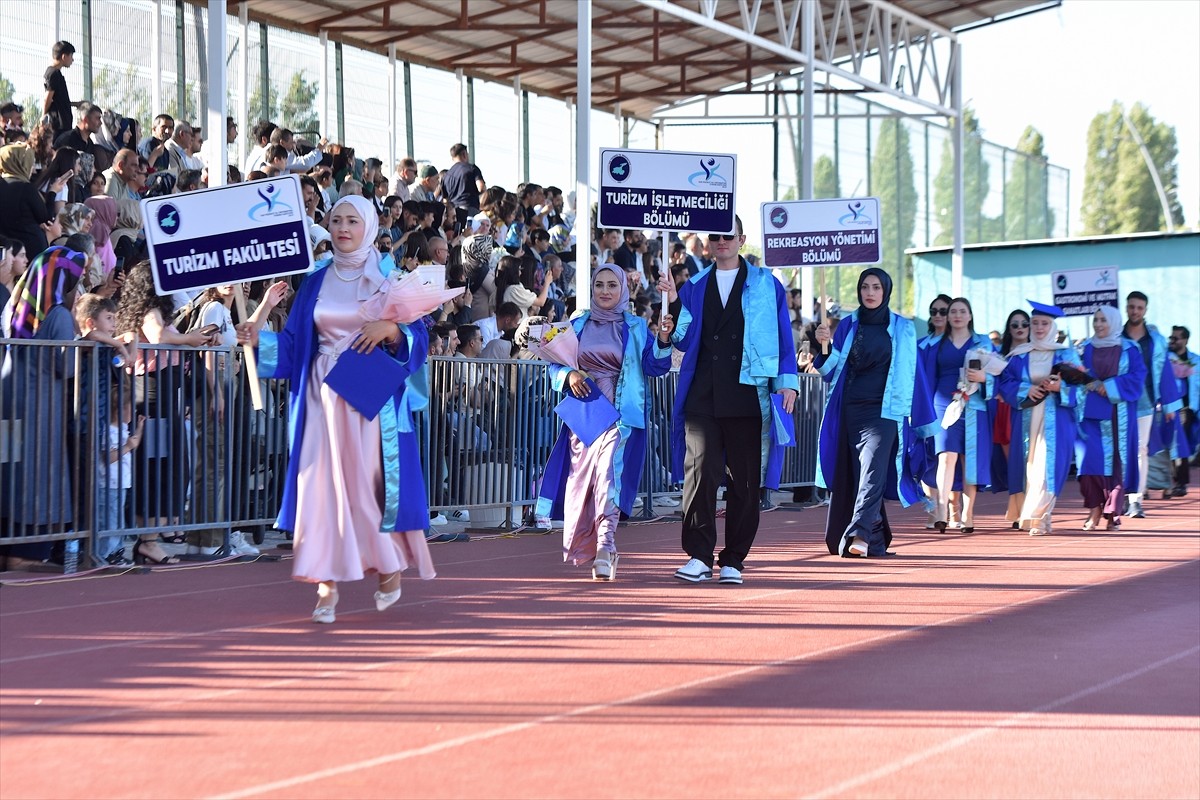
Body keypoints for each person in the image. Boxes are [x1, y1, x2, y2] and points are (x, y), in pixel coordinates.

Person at [235, 195, 435, 624]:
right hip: (319, 399)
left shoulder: (391, 279)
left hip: (369, 403)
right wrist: (257, 340)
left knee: (365, 489)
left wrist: (394, 331)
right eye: (336, 219)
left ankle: (388, 565)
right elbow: (293, 344)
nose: (343, 227)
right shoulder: (314, 281)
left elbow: (419, 342)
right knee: (320, 490)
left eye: (352, 220)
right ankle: (326, 585)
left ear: (370, 226)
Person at [656, 216, 799, 585]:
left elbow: (785, 336)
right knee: (699, 476)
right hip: (703, 393)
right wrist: (670, 304)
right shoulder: (693, 285)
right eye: (715, 235)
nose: (721, 241)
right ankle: (699, 556)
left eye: (728, 235)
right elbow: (683, 340)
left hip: (750, 395)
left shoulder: (769, 284)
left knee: (745, 482)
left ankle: (734, 558)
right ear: (707, 242)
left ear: (742, 239)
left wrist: (789, 384)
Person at [535, 264, 674, 579]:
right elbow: (553, 364)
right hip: (583, 417)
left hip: (620, 418)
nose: (606, 291)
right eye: (599, 284)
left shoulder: (638, 328)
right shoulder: (576, 323)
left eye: (613, 284)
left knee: (608, 481)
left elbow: (655, 367)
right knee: (582, 486)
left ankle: (605, 547)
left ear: (623, 289)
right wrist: (567, 374)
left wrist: (663, 339)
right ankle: (601, 548)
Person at [813, 268, 935, 557]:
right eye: (865, 287)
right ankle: (877, 540)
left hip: (885, 413)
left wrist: (923, 420)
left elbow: (914, 373)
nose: (870, 292)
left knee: (871, 470)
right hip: (850, 411)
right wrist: (823, 345)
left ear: (886, 291)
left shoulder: (903, 328)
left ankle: (860, 536)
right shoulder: (846, 325)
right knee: (861, 477)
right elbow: (830, 372)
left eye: (876, 287)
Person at [0, 246, 87, 569]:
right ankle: (26, 555)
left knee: (10, 474)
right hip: (41, 407)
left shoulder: (13, 306)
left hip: (10, 401)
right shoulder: (58, 313)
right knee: (38, 478)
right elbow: (65, 368)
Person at [995, 302, 1080, 537]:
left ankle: (1039, 517)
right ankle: (1036, 515)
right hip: (1027, 418)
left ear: (1053, 326)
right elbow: (1005, 383)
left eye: (1045, 323)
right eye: (1035, 323)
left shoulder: (1066, 354)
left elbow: (1083, 389)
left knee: (1046, 466)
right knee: (1029, 467)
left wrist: (1061, 387)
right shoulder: (1020, 355)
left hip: (1056, 419)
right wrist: (1025, 390)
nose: (1039, 328)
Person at [920, 297, 993, 533]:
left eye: (963, 311)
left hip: (974, 405)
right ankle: (941, 511)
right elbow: (927, 377)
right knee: (945, 456)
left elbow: (998, 374)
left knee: (968, 459)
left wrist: (984, 379)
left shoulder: (982, 343)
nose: (957, 315)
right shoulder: (936, 344)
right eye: (953, 312)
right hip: (943, 404)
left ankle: (967, 515)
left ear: (970, 316)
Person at [1077, 306, 1148, 532]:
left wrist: (1106, 387)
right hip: (1090, 414)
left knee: (1116, 463)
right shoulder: (1084, 348)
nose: (1098, 324)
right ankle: (1094, 509)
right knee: (1089, 462)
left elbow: (1137, 378)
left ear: (1114, 322)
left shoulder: (1129, 349)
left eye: (1103, 320)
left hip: (1118, 414)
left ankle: (1112, 514)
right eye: (1095, 320)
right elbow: (1075, 378)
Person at [1121, 291, 1183, 517]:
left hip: (1145, 401)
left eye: (1139, 307)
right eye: (1131, 307)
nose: (1135, 311)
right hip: (1119, 401)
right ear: (1126, 308)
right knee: (1120, 451)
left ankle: (1136, 499)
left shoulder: (1155, 340)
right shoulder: (1117, 337)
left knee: (1141, 450)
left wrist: (1169, 407)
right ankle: (1121, 497)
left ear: (1145, 310)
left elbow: (1165, 372)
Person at [993, 308, 1031, 527]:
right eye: (1015, 325)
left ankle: (1023, 509)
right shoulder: (999, 354)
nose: (1020, 328)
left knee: (1027, 461)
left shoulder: (1037, 353)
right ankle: (1016, 508)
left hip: (1025, 409)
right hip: (1003, 410)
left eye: (1024, 324)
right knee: (1013, 463)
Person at [0, 142, 55, 259]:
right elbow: (47, 219)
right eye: (30, 163)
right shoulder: (26, 189)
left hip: (5, 253)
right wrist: (53, 192)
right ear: (22, 164)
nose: (33, 169)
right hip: (30, 251)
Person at [1164, 327, 1198, 497]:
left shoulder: (1195, 361)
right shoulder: (1165, 357)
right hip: (1165, 407)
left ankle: (1181, 483)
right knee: (1167, 445)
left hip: (1185, 409)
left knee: (1180, 445)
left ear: (1185, 340)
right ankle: (1167, 483)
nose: (1172, 341)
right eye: (1171, 337)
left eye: (1176, 338)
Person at [43, 41, 78, 135]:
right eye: (71, 56)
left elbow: (59, 100)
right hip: (58, 125)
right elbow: (48, 98)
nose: (72, 60)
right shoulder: (53, 73)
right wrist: (43, 117)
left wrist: (75, 104)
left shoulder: (55, 73)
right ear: (64, 57)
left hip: (63, 123)